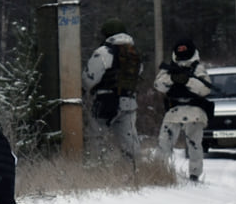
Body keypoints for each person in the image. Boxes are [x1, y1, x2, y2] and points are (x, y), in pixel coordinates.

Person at [81, 18, 143, 167]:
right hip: (129, 102)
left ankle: (95, 170)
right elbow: (138, 75)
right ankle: (135, 173)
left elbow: (89, 79)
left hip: (105, 101)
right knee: (129, 140)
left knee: (96, 137)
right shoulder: (133, 53)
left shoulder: (103, 52)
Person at [154, 38, 214, 182]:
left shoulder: (198, 68)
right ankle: (159, 172)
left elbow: (205, 89)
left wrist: (187, 81)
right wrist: (173, 79)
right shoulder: (169, 68)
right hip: (174, 110)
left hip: (195, 111)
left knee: (194, 144)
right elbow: (158, 85)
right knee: (164, 142)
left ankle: (194, 174)